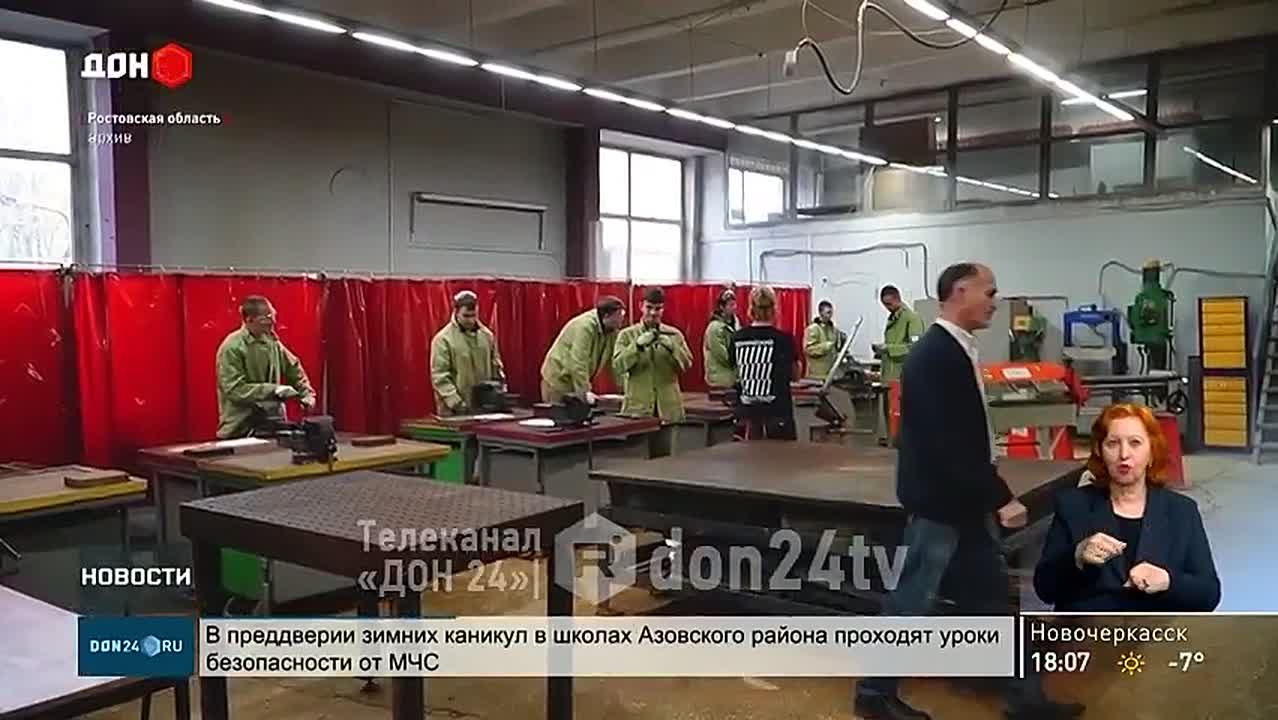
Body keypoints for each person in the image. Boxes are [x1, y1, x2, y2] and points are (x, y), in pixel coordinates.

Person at [853, 263, 1082, 720]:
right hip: (941, 505)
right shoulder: (935, 356)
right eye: (989, 292)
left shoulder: (956, 350)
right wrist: (1001, 496)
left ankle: (1024, 699)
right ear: (960, 292)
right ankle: (873, 694)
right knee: (911, 602)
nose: (995, 302)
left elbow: (965, 436)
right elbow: (949, 442)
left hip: (963, 503)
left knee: (991, 601)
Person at [1034, 403, 1220, 612]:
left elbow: (1209, 594)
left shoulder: (1182, 511)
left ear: (1152, 451)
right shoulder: (1073, 505)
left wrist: (1168, 581)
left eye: (1135, 443)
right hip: (1089, 630)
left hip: (1158, 630)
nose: (1124, 454)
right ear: (1099, 451)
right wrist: (1076, 557)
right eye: (1113, 443)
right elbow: (1044, 589)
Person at [215, 295, 316, 439]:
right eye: (266, 318)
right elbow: (234, 390)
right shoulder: (232, 347)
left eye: (273, 315)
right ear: (249, 320)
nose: (272, 321)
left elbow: (294, 368)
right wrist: (273, 390)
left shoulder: (272, 343)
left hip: (274, 424)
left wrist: (307, 394)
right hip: (240, 428)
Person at [612, 287, 693, 423]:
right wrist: (636, 346)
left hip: (668, 408)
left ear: (663, 309)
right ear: (640, 306)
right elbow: (618, 366)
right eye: (649, 307)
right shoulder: (626, 335)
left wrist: (673, 348)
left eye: (658, 308)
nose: (653, 313)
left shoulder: (674, 335)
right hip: (637, 408)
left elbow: (687, 364)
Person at [729, 286, 796, 440]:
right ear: (774, 309)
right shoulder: (784, 339)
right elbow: (795, 375)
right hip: (778, 414)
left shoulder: (737, 338)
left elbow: (734, 372)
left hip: (746, 416)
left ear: (751, 309)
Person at [430, 290, 505, 417]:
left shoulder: (487, 336)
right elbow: (440, 377)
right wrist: (457, 403)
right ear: (456, 312)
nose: (470, 320)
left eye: (473, 315)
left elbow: (496, 367)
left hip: (484, 409)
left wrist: (498, 393)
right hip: (454, 412)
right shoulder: (443, 340)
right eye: (466, 316)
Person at [540, 296, 627, 404]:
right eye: (619, 315)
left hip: (575, 380)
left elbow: (614, 363)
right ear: (606, 315)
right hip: (558, 380)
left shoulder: (611, 331)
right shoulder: (585, 327)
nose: (622, 319)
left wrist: (626, 390)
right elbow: (578, 361)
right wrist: (585, 391)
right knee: (559, 412)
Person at [873, 285, 925, 446]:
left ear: (897, 298)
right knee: (890, 415)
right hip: (890, 376)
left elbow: (915, 347)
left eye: (889, 304)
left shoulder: (911, 318)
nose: (887, 308)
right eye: (884, 305)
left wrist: (888, 348)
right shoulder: (893, 318)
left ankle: (902, 445)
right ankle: (892, 441)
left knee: (901, 416)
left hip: (903, 376)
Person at [703, 288, 739, 389]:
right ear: (721, 307)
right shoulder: (714, 328)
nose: (734, 307)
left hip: (732, 379)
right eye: (731, 305)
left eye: (734, 304)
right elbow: (724, 357)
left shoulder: (735, 324)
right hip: (719, 381)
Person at [803, 300, 845, 381]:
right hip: (817, 375)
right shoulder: (813, 329)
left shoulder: (833, 329)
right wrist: (826, 346)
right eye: (828, 312)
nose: (830, 315)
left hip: (831, 373)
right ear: (821, 313)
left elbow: (836, 347)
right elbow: (808, 350)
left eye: (831, 312)